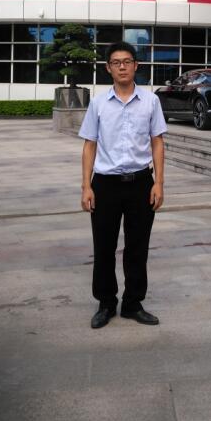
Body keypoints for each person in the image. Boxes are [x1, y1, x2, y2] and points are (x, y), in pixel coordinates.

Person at [78, 41, 167, 329]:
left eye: (127, 61)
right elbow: (89, 145)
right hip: (105, 185)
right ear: (108, 68)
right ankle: (106, 303)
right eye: (116, 62)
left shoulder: (151, 101)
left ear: (136, 65)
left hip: (141, 183)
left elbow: (157, 142)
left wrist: (159, 183)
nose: (122, 67)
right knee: (103, 246)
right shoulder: (98, 104)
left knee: (137, 247)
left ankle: (132, 304)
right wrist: (86, 186)